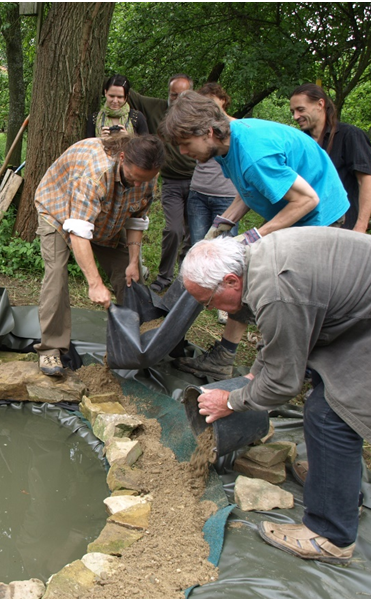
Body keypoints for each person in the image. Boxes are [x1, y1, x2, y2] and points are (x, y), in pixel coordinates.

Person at [181, 232, 371, 564]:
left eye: (208, 301)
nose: (211, 309)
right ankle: (334, 480)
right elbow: (279, 338)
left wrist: (229, 402)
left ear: (230, 281)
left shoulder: (277, 291)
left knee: (331, 413)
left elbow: (285, 384)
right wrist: (256, 373)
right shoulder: (255, 263)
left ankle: (330, 535)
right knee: (325, 400)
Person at [159, 91, 348, 379]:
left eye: (186, 144)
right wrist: (220, 226)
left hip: (320, 217)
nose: (183, 152)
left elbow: (308, 200)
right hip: (297, 207)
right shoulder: (226, 146)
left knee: (284, 289)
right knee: (247, 272)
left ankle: (280, 370)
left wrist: (253, 236)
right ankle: (224, 357)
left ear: (209, 131)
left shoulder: (253, 153)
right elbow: (250, 187)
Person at [34, 132, 165, 377]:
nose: (139, 185)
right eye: (134, 178)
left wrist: (134, 262)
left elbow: (136, 219)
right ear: (123, 159)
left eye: (144, 180)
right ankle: (50, 349)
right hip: (59, 213)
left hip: (107, 222)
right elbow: (79, 234)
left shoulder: (147, 177)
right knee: (57, 278)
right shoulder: (95, 174)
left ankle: (136, 345)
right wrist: (95, 284)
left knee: (130, 278)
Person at [127, 73, 197, 294]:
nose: (177, 99)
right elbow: (130, 95)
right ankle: (164, 277)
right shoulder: (157, 108)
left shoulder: (198, 115)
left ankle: (188, 280)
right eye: (173, 94)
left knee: (194, 234)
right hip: (172, 182)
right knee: (174, 230)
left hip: (198, 182)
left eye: (183, 95)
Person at [290, 83, 371, 233]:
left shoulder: (350, 135)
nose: (296, 116)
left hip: (344, 226)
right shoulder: (300, 141)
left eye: (300, 110)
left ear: (320, 104)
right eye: (293, 112)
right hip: (307, 227)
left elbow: (365, 182)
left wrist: (360, 227)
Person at [187, 83, 239, 325]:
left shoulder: (236, 130)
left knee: (225, 251)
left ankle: (226, 303)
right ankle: (198, 297)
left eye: (212, 102)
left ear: (223, 101)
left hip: (227, 197)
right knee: (199, 246)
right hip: (199, 192)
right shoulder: (198, 130)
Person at [86, 74, 148, 139]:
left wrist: (128, 138)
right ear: (105, 92)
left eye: (120, 97)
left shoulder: (137, 118)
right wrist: (99, 140)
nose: (115, 101)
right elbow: (88, 147)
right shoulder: (94, 119)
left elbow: (146, 146)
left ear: (126, 96)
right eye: (111, 96)